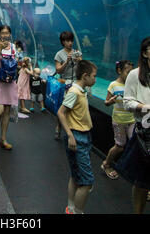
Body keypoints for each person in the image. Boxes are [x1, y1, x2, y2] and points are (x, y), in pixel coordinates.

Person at [115, 37, 150, 214]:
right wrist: (145, 107)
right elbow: (127, 102)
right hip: (145, 133)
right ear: (145, 53)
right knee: (141, 181)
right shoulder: (135, 75)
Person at [57, 60, 97, 215]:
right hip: (77, 136)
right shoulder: (74, 92)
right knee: (86, 182)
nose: (95, 80)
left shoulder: (81, 90)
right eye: (94, 76)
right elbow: (61, 112)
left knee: (75, 175)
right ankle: (78, 211)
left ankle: (71, 209)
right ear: (85, 76)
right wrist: (70, 135)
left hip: (84, 135)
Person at [101, 60, 134, 180]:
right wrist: (110, 102)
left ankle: (129, 168)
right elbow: (106, 102)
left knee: (134, 143)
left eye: (132, 72)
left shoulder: (133, 84)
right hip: (119, 121)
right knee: (120, 146)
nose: (130, 75)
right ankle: (106, 164)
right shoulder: (113, 85)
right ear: (119, 71)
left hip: (132, 120)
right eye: (127, 72)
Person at [0, 25, 18, 150]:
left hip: (10, 80)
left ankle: (3, 139)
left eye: (7, 33)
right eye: (2, 32)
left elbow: (14, 62)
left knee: (7, 110)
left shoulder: (13, 46)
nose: (5, 35)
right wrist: (0, 48)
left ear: (10, 34)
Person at [54, 31, 82, 140]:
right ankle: (59, 126)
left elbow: (82, 69)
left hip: (77, 82)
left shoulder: (77, 53)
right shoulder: (59, 54)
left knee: (75, 108)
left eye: (71, 40)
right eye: (67, 41)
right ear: (63, 42)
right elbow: (58, 70)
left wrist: (80, 61)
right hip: (66, 82)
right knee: (64, 107)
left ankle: (72, 130)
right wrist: (66, 61)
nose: (70, 43)